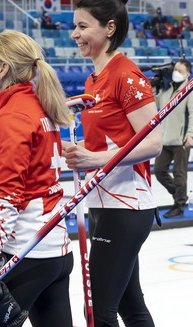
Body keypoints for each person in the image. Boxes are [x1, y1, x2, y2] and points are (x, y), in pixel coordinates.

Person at [65, 0, 162, 326]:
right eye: (74, 26)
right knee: (129, 307)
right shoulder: (95, 79)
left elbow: (153, 143)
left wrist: (95, 158)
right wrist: (77, 151)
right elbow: (107, 142)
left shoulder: (125, 74)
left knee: (98, 310)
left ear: (109, 28)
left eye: (82, 26)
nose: (74, 33)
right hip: (103, 203)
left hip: (127, 205)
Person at [0, 29, 73, 327]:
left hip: (25, 253)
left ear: (3, 69)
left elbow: (8, 196)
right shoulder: (41, 105)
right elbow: (30, 177)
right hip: (56, 252)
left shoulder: (12, 115)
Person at [153, 59, 193, 218]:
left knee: (179, 174)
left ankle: (179, 205)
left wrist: (190, 134)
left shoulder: (189, 91)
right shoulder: (166, 90)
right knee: (159, 170)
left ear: (187, 75)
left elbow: (192, 114)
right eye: (175, 69)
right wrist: (154, 88)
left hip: (181, 139)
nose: (176, 72)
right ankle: (179, 195)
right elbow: (154, 104)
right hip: (166, 138)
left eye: (180, 71)